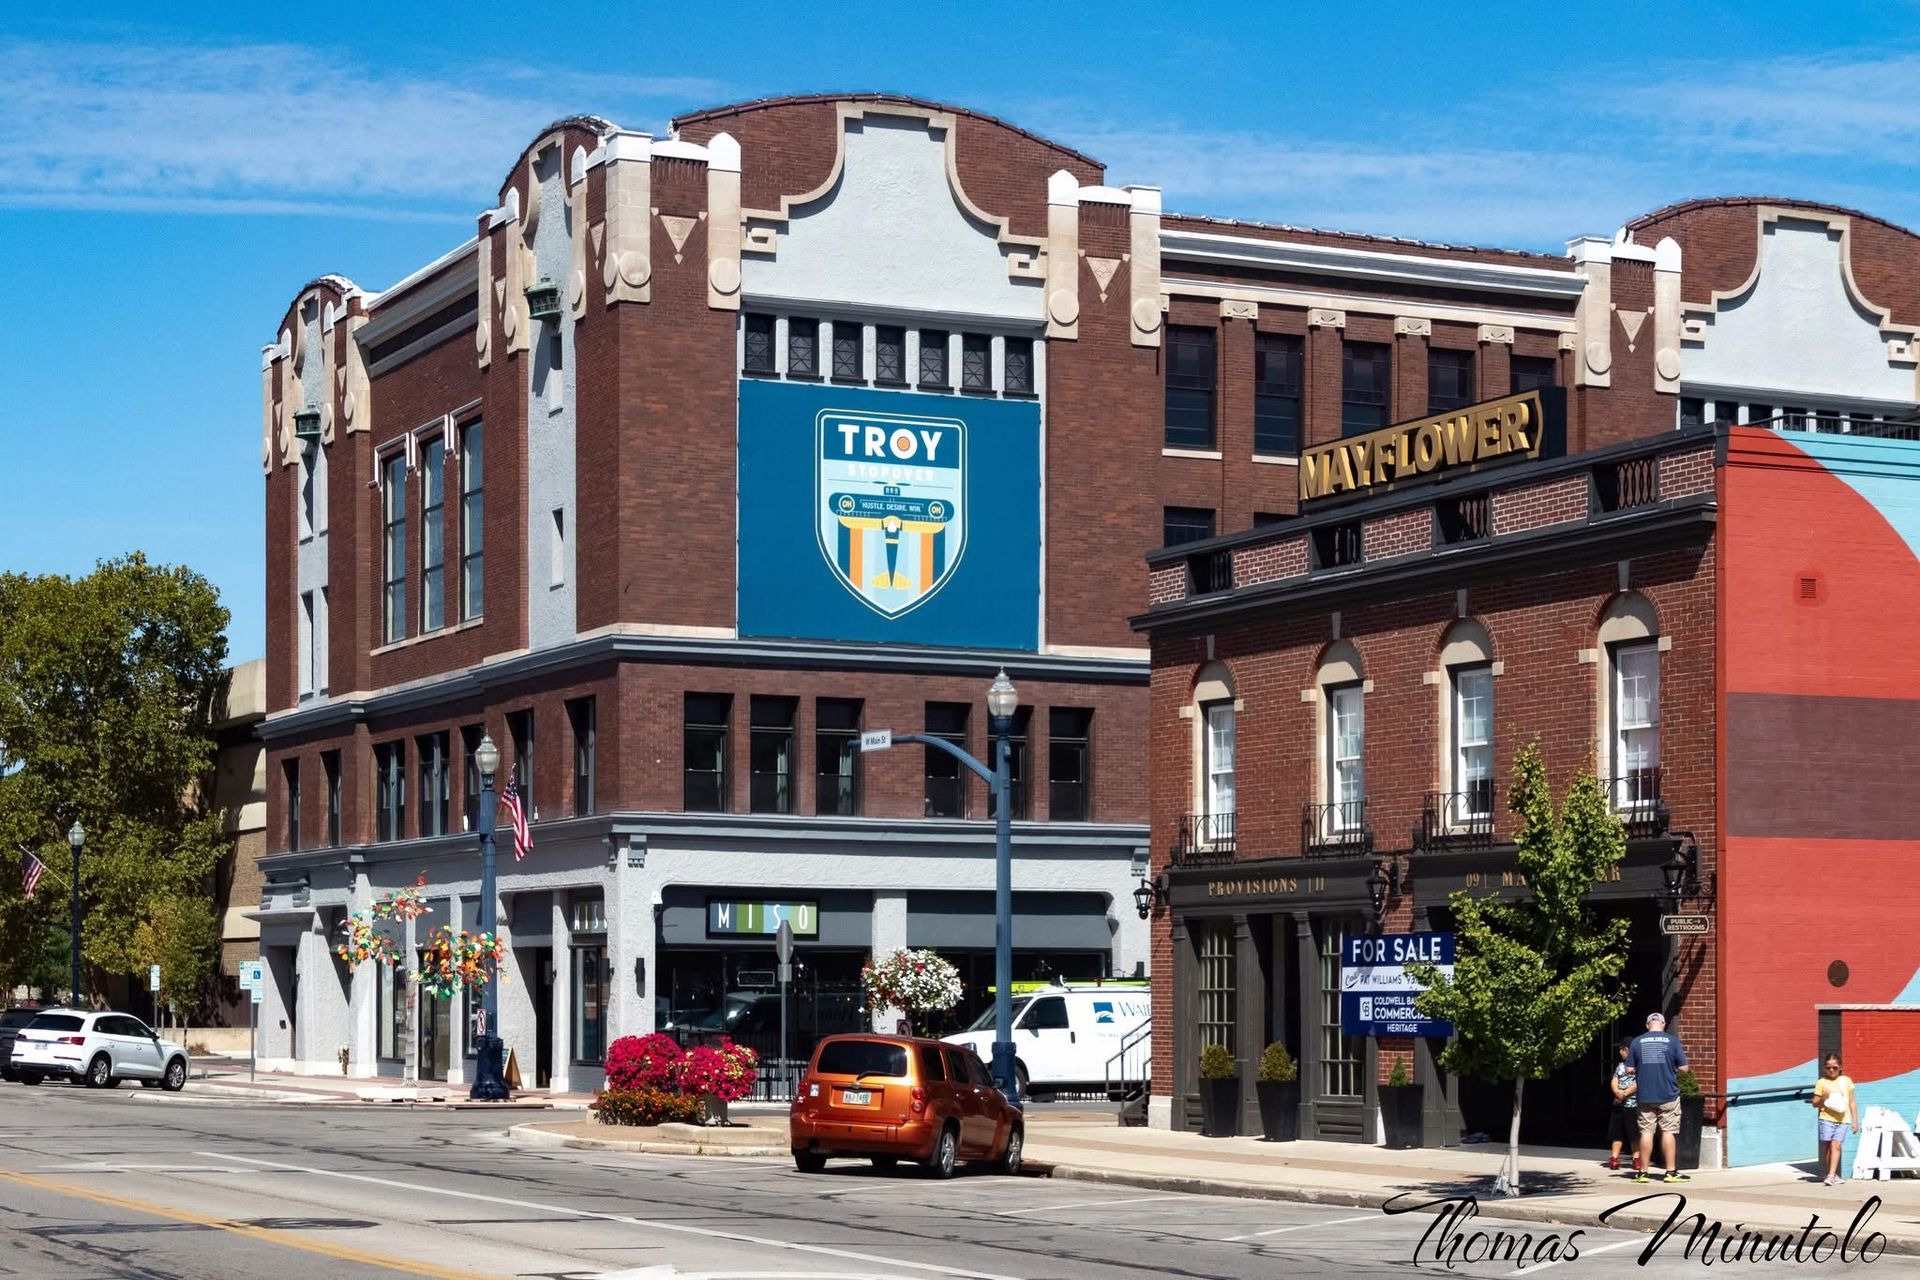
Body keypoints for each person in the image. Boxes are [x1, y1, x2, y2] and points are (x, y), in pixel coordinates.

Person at [1630, 1011, 1691, 1183]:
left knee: (1646, 1132)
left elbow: (1628, 1069)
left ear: (1647, 1025)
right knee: (1668, 1131)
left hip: (1645, 1095)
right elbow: (1684, 1068)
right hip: (1668, 1094)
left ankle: (1643, 1172)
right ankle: (1670, 1172)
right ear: (1663, 1024)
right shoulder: (1672, 1041)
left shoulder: (1636, 1042)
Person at [1810, 1053, 1860, 1186]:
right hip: (1826, 1118)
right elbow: (1815, 1103)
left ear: (1841, 1067)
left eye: (1835, 1067)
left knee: (1836, 1145)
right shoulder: (1821, 1082)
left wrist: (1855, 1121)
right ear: (1824, 1068)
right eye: (1828, 1068)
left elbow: (1852, 1102)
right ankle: (1832, 1173)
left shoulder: (1846, 1081)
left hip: (1843, 1119)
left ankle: (1831, 1175)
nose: (1831, 1070)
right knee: (1827, 1147)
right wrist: (1823, 1098)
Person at [1607, 1037, 1641, 1171]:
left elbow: (1639, 1082)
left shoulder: (1639, 1065)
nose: (1620, 1053)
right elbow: (1615, 1080)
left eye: (1621, 1050)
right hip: (1619, 1104)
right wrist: (1616, 1091)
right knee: (1617, 1133)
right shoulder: (1620, 1066)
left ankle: (1636, 1158)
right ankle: (1614, 1158)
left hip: (1633, 1104)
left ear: (1626, 1049)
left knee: (1634, 1134)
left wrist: (1625, 1093)